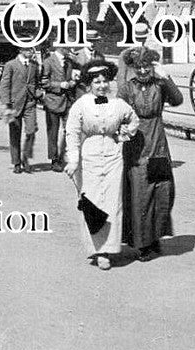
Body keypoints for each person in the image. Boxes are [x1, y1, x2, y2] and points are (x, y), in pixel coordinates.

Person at [64, 60, 140, 270]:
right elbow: (72, 132)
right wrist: (73, 159)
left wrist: (122, 134)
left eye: (105, 81)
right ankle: (98, 251)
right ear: (90, 84)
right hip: (89, 155)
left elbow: (133, 120)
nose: (101, 85)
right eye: (96, 82)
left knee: (112, 203)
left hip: (114, 156)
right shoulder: (81, 105)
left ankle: (110, 247)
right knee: (93, 202)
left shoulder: (118, 103)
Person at [116, 45, 184, 262]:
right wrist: (122, 128)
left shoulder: (159, 85)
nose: (143, 71)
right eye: (139, 67)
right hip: (136, 146)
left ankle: (155, 238)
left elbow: (178, 100)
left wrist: (167, 77)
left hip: (159, 144)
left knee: (161, 191)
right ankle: (142, 244)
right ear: (134, 68)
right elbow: (118, 113)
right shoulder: (127, 88)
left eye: (147, 66)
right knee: (140, 195)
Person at [0, 45, 41, 174]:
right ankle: (16, 162)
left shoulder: (34, 65)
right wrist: (6, 103)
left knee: (31, 130)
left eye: (31, 49)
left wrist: (38, 94)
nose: (30, 51)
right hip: (14, 104)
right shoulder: (11, 65)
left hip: (30, 103)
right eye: (27, 49)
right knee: (15, 133)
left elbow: (36, 82)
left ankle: (25, 158)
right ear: (21, 50)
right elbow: (5, 85)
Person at [39, 42, 76, 172]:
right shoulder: (48, 62)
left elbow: (71, 77)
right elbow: (44, 82)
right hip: (52, 102)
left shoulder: (69, 62)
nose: (71, 50)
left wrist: (72, 82)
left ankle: (64, 156)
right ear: (61, 48)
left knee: (70, 130)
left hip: (67, 102)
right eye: (69, 47)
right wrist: (60, 85)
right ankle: (54, 160)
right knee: (52, 132)